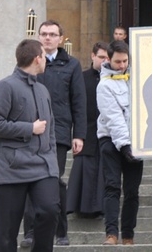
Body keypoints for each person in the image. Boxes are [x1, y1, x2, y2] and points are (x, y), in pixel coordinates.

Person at [0, 39, 59, 252]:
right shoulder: (5, 86)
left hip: (42, 166)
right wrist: (29, 128)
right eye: (44, 56)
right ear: (37, 59)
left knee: (49, 211)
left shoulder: (43, 90)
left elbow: (50, 129)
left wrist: (51, 161)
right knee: (6, 232)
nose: (45, 60)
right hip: (11, 168)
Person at [22, 20, 86, 247]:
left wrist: (79, 134)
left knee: (53, 180)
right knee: (30, 179)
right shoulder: (29, 63)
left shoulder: (71, 65)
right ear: (38, 37)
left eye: (52, 34)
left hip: (58, 133)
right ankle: (29, 232)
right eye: (44, 34)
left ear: (61, 38)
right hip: (30, 131)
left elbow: (78, 101)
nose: (47, 38)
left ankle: (61, 232)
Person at [97, 40, 144, 246]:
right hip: (110, 140)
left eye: (125, 61)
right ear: (109, 60)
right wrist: (124, 146)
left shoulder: (138, 78)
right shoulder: (104, 85)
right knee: (112, 187)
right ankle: (111, 234)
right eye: (118, 61)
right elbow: (113, 117)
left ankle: (128, 235)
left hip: (135, 140)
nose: (122, 65)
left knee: (132, 191)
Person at [66, 41, 109, 218]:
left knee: (103, 170)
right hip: (86, 129)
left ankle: (100, 207)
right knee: (85, 168)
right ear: (92, 56)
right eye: (101, 57)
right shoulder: (81, 78)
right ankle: (79, 206)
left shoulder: (115, 78)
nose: (105, 61)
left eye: (108, 58)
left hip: (107, 131)